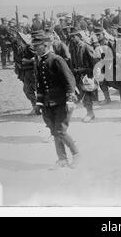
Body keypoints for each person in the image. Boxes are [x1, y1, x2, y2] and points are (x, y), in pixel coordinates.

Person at [32, 32, 80, 170]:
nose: (35, 49)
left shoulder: (56, 60)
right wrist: (39, 103)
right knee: (54, 131)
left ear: (46, 45)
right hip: (48, 103)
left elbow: (69, 81)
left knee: (60, 131)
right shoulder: (39, 61)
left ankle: (77, 155)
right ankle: (62, 159)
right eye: (34, 46)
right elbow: (40, 84)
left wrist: (70, 100)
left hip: (62, 102)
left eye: (38, 46)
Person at [68, 27, 100, 122]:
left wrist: (92, 74)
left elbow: (95, 61)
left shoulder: (86, 46)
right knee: (79, 94)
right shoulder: (73, 47)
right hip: (77, 74)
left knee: (87, 95)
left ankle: (90, 113)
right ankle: (89, 112)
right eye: (71, 37)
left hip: (86, 74)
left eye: (74, 36)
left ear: (79, 36)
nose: (72, 39)